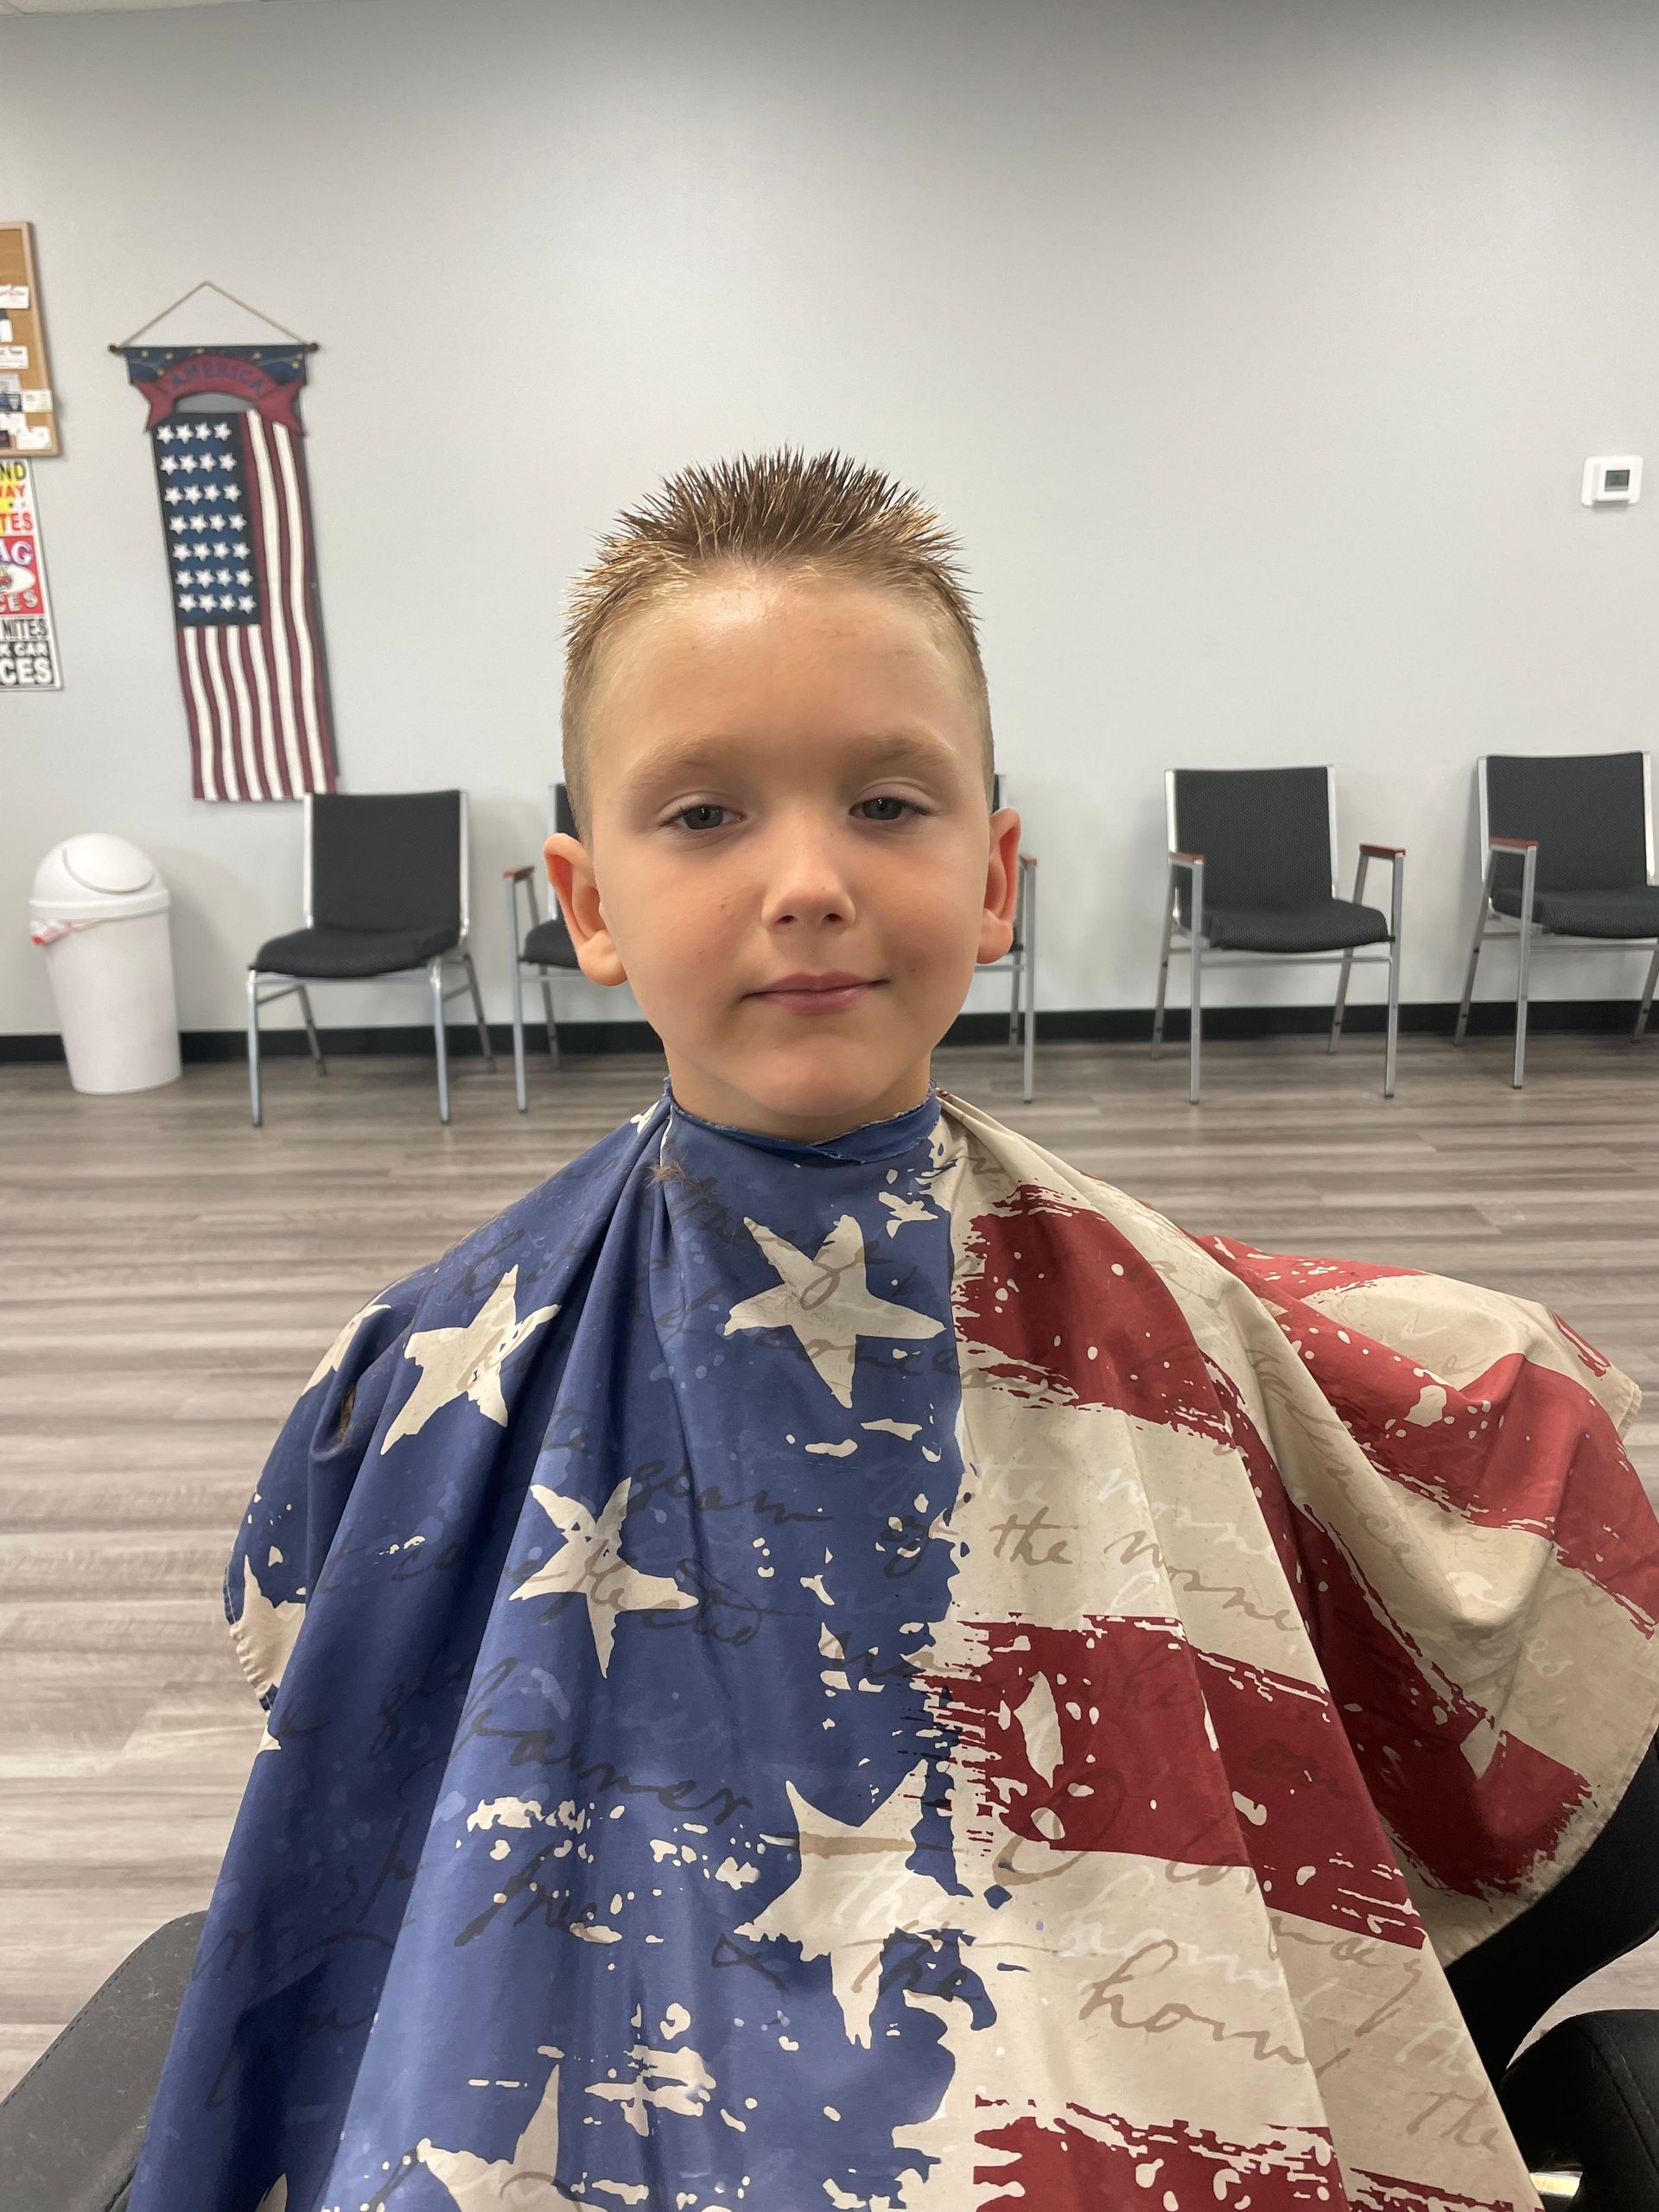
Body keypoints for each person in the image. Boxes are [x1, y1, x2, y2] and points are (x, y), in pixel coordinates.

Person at [131, 451, 1659, 2212]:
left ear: (995, 874)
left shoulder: (1171, 1317)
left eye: (887, 803)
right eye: (704, 813)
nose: (808, 879)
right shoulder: (426, 1375)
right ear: (590, 899)